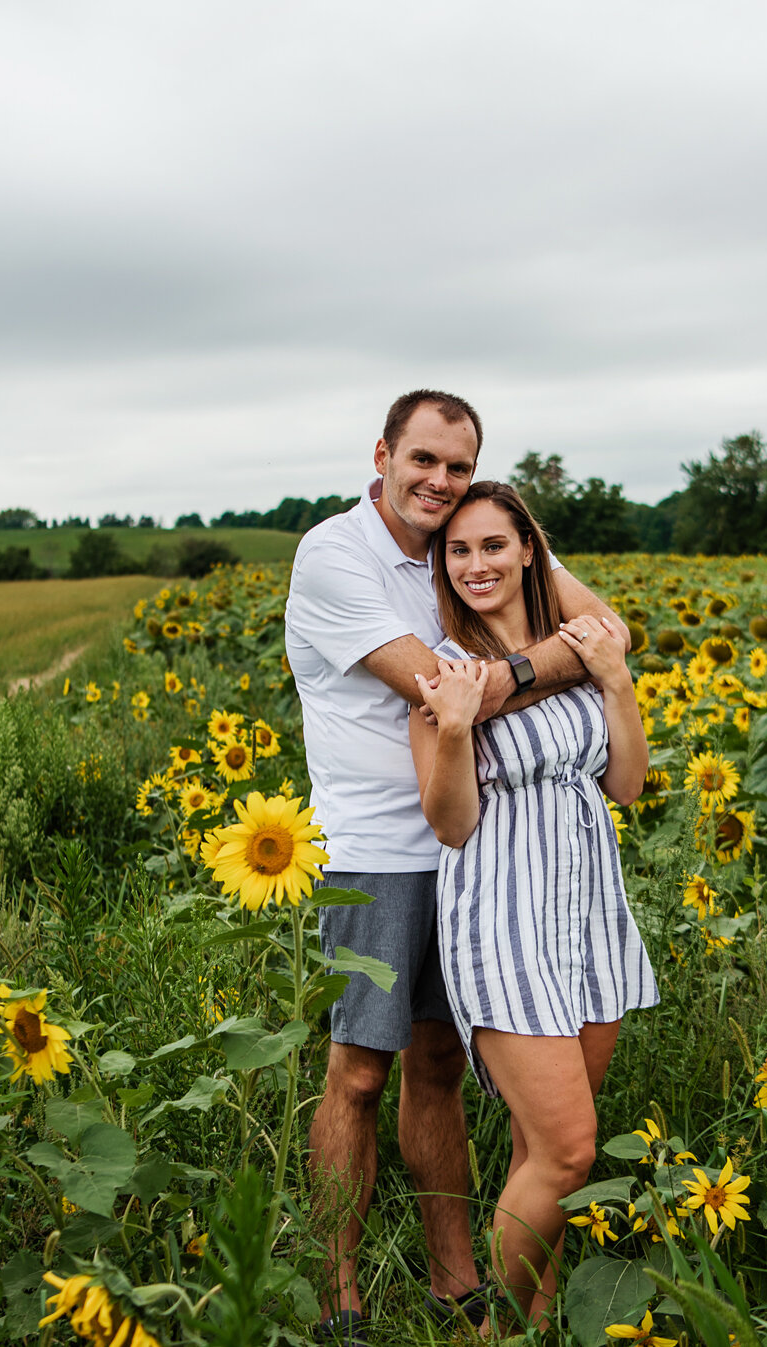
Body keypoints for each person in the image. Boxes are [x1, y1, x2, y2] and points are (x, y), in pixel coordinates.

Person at [283, 391, 625, 1342]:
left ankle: (456, 1279)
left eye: (459, 466)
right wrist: (543, 663)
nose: (440, 482)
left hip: (483, 857)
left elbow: (611, 633)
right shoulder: (336, 553)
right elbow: (437, 690)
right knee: (358, 1070)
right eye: (424, 460)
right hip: (377, 851)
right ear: (383, 453)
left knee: (437, 1064)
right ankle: (337, 1293)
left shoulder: (471, 540)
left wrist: (508, 675)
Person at [410, 482, 658, 1332]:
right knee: (569, 1148)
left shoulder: (580, 650)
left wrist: (616, 680)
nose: (475, 564)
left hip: (589, 913)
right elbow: (450, 824)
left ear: (528, 551)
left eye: (491, 546)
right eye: (458, 551)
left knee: (539, 1149)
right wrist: (450, 728)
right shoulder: (444, 670)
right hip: (503, 919)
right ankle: (500, 1328)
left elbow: (626, 784)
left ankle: (539, 1319)